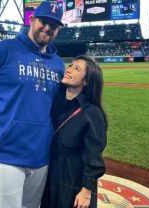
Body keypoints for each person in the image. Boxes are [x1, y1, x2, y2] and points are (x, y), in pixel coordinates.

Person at [0, 2, 64, 208]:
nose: (47, 28)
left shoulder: (58, 65)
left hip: (40, 153)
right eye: (44, 21)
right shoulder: (2, 50)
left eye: (54, 25)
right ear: (32, 20)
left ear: (58, 30)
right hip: (4, 151)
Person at [41, 55, 108, 208]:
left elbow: (93, 155)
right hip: (50, 172)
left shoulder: (92, 113)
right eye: (70, 65)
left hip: (72, 179)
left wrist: (86, 191)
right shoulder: (54, 102)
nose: (69, 70)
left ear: (86, 81)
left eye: (76, 68)